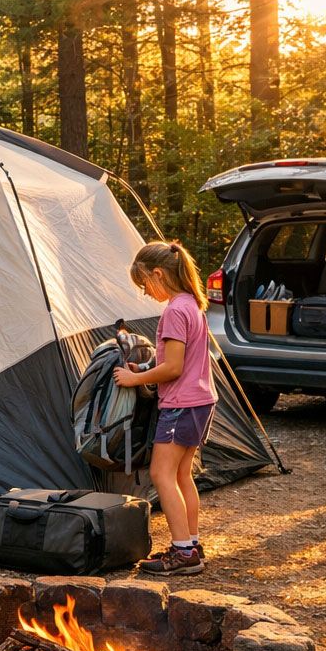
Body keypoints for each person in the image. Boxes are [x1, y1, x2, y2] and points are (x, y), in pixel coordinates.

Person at [113, 240, 217, 576]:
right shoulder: (191, 304)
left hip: (180, 404)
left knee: (161, 474)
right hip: (200, 400)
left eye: (145, 283)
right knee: (182, 474)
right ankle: (191, 543)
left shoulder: (174, 310)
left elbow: (173, 368)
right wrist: (143, 370)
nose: (145, 292)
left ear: (159, 273)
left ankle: (182, 553)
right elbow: (175, 361)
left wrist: (133, 381)